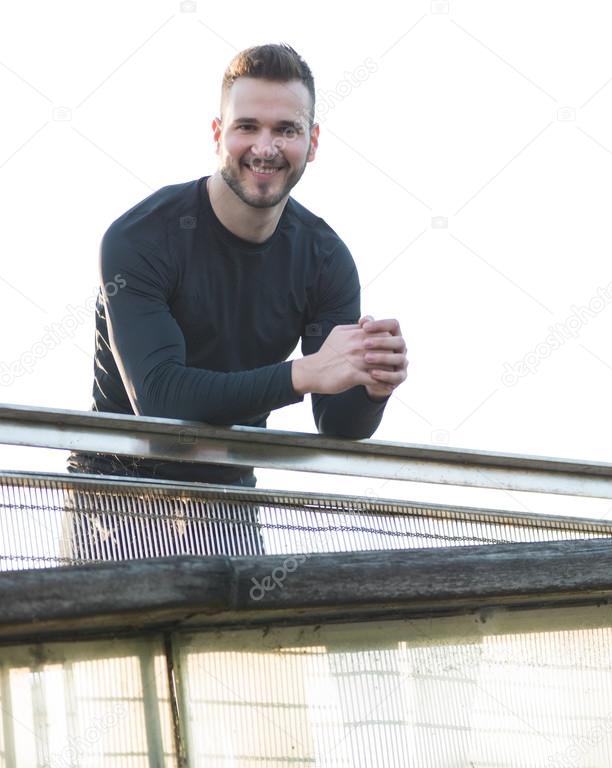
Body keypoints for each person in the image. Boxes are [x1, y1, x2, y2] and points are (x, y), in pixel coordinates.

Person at [63, 43, 408, 560]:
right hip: (115, 497)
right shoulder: (139, 237)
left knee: (243, 640)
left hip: (227, 502)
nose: (265, 147)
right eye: (248, 126)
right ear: (218, 134)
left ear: (311, 143)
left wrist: (373, 384)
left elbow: (337, 424)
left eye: (286, 130)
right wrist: (305, 373)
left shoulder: (325, 259)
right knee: (94, 640)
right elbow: (160, 399)